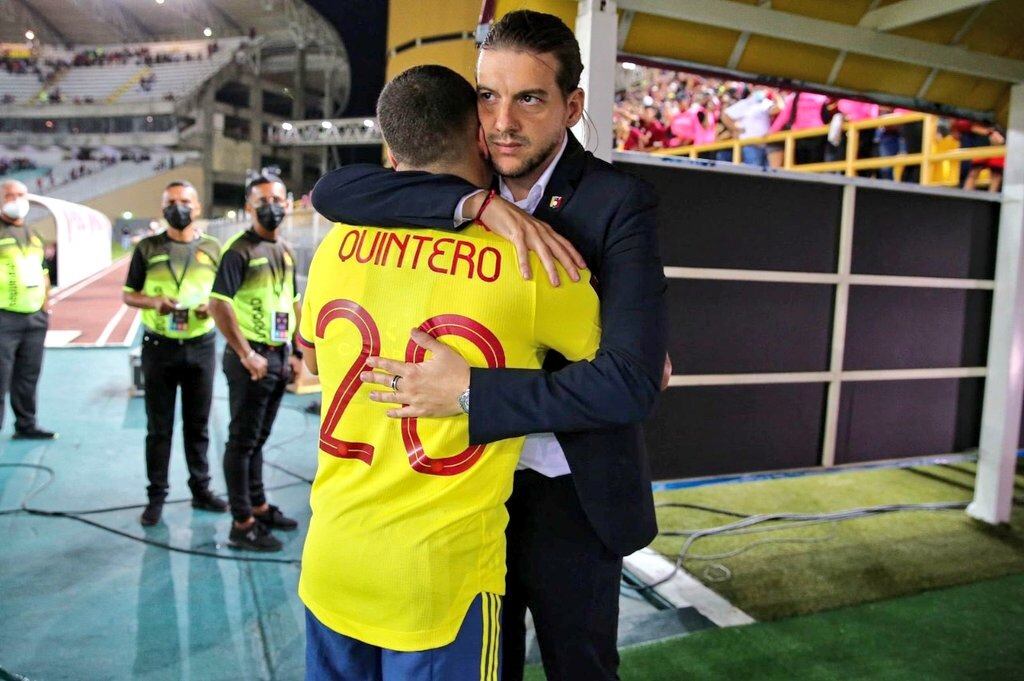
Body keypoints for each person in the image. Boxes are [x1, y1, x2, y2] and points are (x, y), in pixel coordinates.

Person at [311, 11, 667, 680]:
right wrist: (475, 206)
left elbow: (631, 382)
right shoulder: (453, 189)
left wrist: (472, 392)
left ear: (572, 106)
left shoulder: (619, 201)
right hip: (464, 505)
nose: (502, 120)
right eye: (487, 95)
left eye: (529, 98)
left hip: (568, 494)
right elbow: (333, 188)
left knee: (580, 667)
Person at [122, 181, 228, 526]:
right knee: (159, 428)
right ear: (162, 207)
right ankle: (156, 496)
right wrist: (155, 302)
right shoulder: (147, 248)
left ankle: (201, 489)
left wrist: (209, 310)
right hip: (159, 347)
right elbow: (129, 294)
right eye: (171, 202)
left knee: (198, 426)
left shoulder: (213, 248)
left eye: (185, 202)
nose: (178, 208)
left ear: (197, 207)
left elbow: (224, 296)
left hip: (201, 346)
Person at [208, 172, 303, 552]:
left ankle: (259, 506)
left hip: (278, 355)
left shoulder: (286, 249)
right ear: (248, 207)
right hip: (251, 359)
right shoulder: (238, 250)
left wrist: (296, 351)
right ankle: (242, 522)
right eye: (263, 200)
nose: (272, 206)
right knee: (242, 441)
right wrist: (247, 353)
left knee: (257, 440)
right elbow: (218, 305)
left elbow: (293, 301)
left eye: (278, 199)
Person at [0, 180, 56, 440]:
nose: (15, 200)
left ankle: (26, 425)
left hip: (34, 316)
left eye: (20, 195)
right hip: (4, 316)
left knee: (28, 375)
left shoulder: (34, 235)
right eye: (9, 195)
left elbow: (44, 271)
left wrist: (45, 305)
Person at [722, 88, 779, 168]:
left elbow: (778, 108)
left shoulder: (765, 102)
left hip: (766, 144)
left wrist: (775, 94)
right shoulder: (745, 103)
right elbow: (725, 116)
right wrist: (736, 129)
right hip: (751, 145)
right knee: (754, 172)